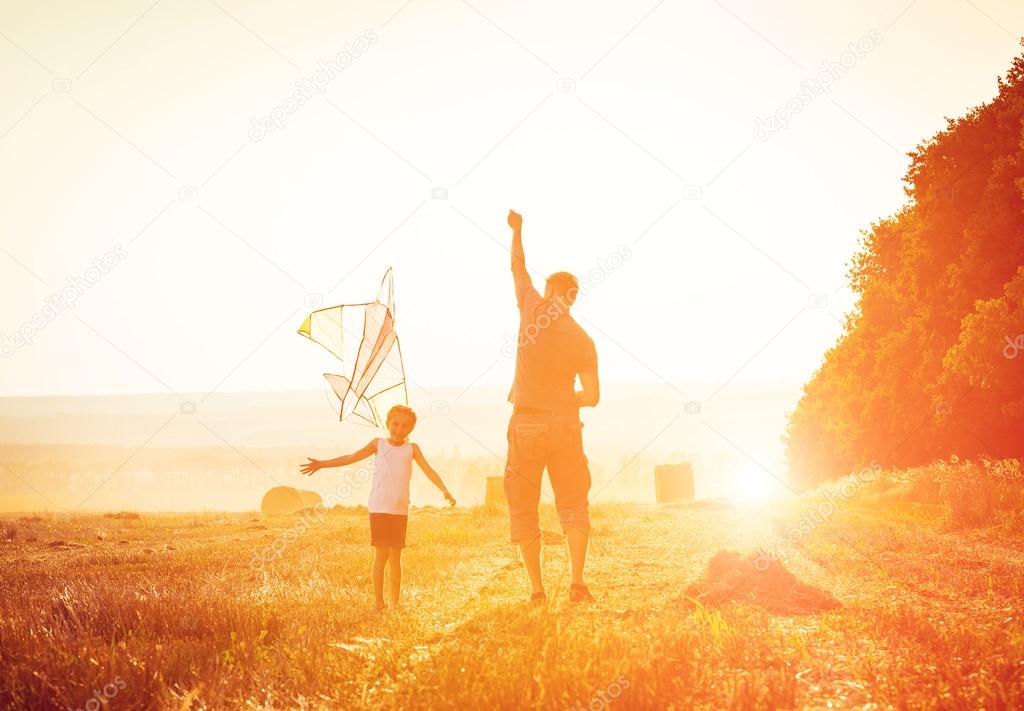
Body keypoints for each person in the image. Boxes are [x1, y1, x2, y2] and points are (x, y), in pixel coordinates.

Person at [503, 208, 600, 604]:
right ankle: (577, 583)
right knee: (573, 504)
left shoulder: (531, 307)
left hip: (526, 423)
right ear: (574, 297)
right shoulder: (582, 339)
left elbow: (516, 266)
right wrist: (565, 399)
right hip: (565, 425)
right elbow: (591, 397)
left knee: (524, 507)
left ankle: (537, 591)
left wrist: (517, 229)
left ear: (549, 291)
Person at [300, 404, 456, 610]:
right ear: (388, 423)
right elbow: (350, 458)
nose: (399, 429)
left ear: (411, 429)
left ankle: (394, 603)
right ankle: (378, 602)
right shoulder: (378, 444)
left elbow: (429, 470)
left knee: (396, 558)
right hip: (379, 508)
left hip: (399, 510)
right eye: (395, 424)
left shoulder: (412, 449)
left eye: (405, 426)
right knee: (381, 556)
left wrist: (444, 489)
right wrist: (323, 463)